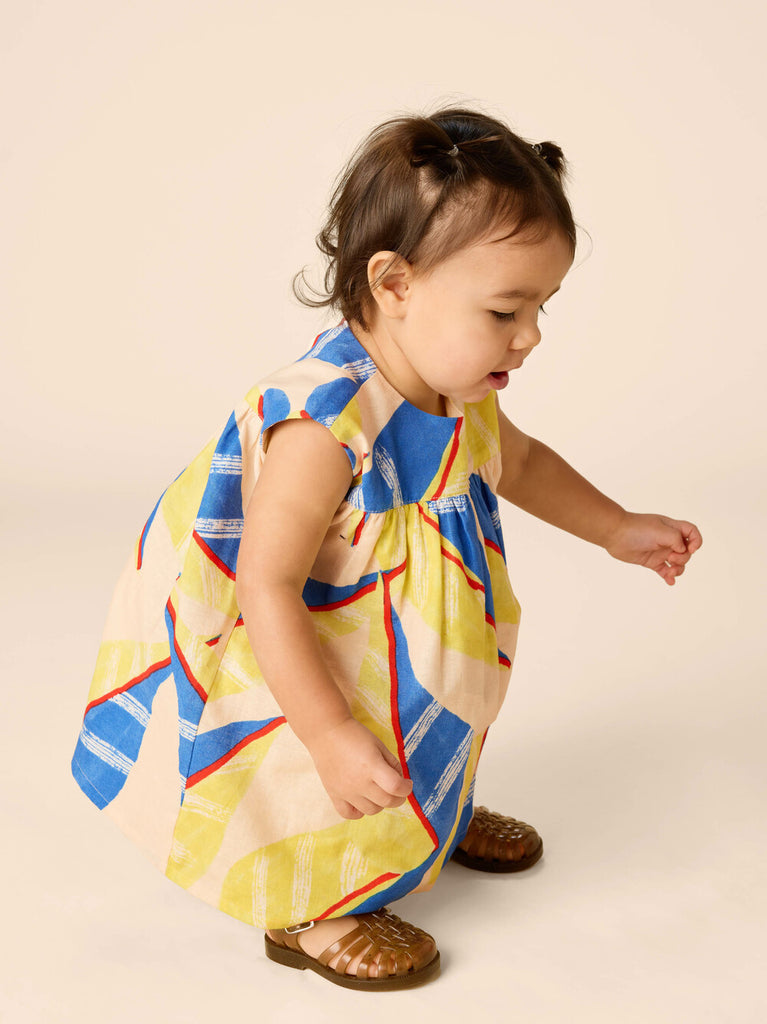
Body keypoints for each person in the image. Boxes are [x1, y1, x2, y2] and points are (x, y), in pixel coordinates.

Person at [71, 105, 702, 991]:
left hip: (412, 636)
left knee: (431, 710)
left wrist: (614, 527)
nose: (530, 335)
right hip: (316, 650)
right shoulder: (326, 421)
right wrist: (327, 733)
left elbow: (516, 460)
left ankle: (425, 817)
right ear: (395, 282)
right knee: (327, 764)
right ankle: (311, 910)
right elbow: (266, 582)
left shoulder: (456, 383)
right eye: (505, 309)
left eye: (541, 306)